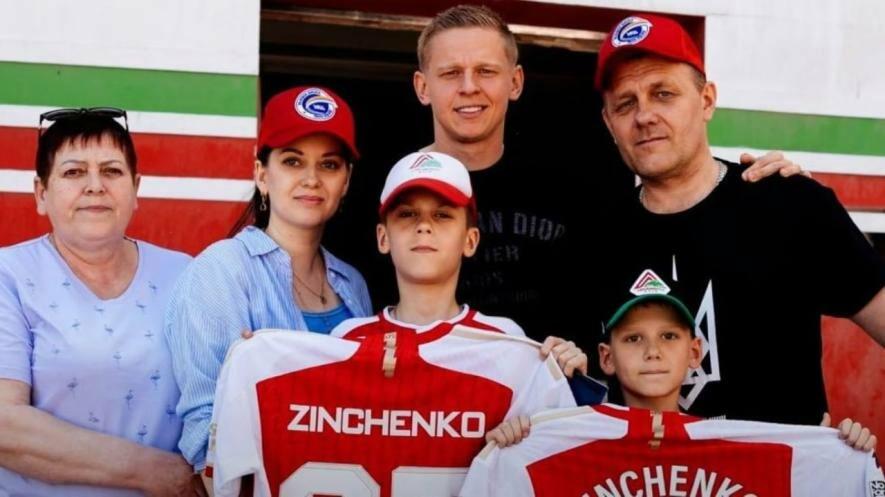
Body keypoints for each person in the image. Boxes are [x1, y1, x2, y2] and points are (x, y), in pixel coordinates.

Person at [328, 4, 806, 351]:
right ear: (421, 86)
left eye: (486, 71)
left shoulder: (571, 187)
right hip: (418, 415)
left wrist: (764, 185)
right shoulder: (383, 194)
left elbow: (668, 209)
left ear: (516, 82)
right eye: (451, 72)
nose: (469, 87)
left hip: (548, 422)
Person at [594, 13, 885, 424]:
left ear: (707, 100)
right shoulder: (595, 234)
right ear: (609, 122)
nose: (644, 116)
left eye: (664, 94)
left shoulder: (790, 204)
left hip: (780, 465)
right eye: (626, 104)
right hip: (650, 465)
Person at [164, 86, 372, 475]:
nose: (311, 179)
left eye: (329, 165)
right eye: (293, 161)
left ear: (345, 182)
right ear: (262, 174)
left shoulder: (353, 284)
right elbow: (205, 429)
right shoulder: (222, 270)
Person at [0, 108, 197, 496]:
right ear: (41, 193)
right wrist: (155, 472)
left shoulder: (186, 275)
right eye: (74, 172)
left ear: (135, 188)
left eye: (112, 171)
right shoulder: (9, 275)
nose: (95, 186)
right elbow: (4, 424)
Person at [331, 151, 587, 406]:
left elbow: (551, 426)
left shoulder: (504, 339)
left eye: (442, 215)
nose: (424, 226)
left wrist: (569, 379)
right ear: (383, 237)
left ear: (470, 240)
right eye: (407, 214)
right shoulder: (348, 339)